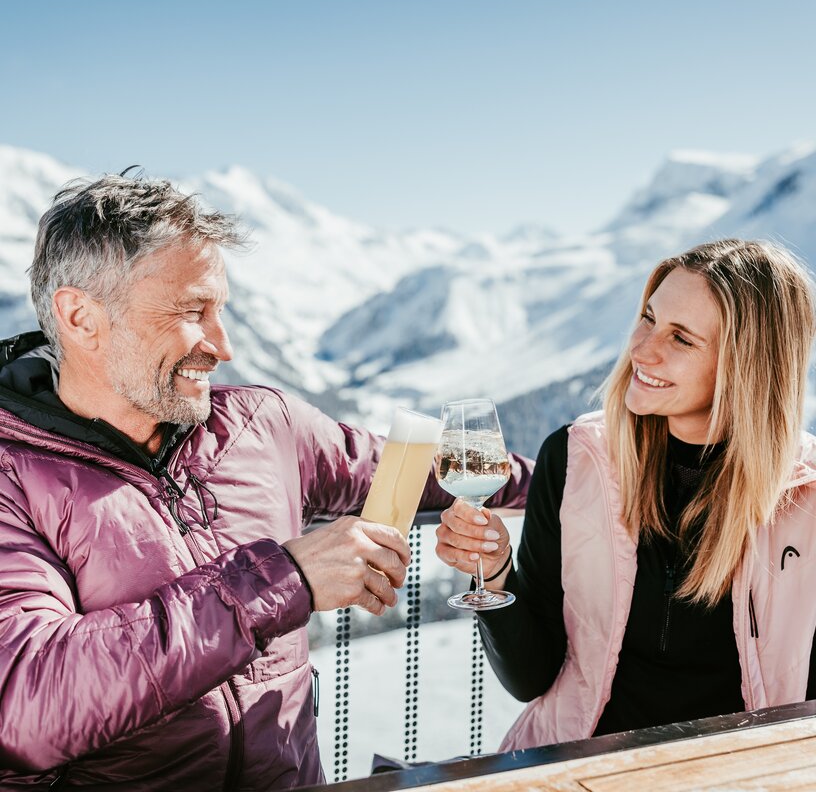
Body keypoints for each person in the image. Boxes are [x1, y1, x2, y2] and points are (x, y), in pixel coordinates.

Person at [0, 174, 532, 789]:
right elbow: (28, 704)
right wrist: (284, 579)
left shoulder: (260, 424)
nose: (221, 346)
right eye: (192, 312)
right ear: (81, 317)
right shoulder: (14, 475)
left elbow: (418, 471)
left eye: (220, 310)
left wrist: (582, 473)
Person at [436, 239, 816, 751]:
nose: (641, 348)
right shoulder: (575, 459)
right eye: (648, 317)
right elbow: (530, 677)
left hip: (740, 773)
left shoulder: (806, 497)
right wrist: (498, 571)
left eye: (680, 338)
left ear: (748, 366)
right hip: (577, 764)